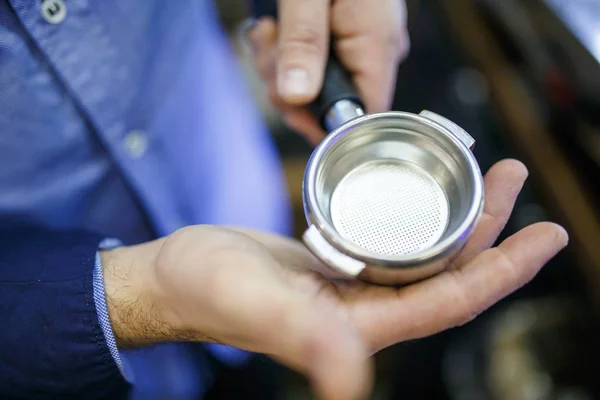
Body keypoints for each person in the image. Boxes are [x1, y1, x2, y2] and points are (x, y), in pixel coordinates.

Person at [0, 0, 568, 399]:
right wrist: (135, 296)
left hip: (228, 194)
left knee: (259, 375)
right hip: (52, 356)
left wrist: (293, 12)